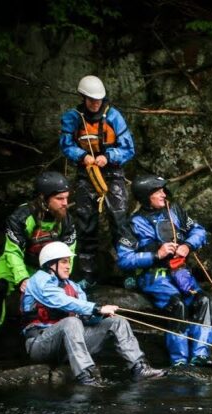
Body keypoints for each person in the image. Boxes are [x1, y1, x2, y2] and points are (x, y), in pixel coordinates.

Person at [21, 241, 165, 386]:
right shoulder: (37, 281)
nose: (68, 266)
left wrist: (100, 315)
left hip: (67, 346)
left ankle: (139, 368)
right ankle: (84, 375)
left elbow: (86, 317)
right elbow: (60, 300)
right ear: (50, 264)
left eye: (69, 262)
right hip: (40, 344)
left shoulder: (73, 286)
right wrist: (97, 308)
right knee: (72, 322)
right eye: (64, 262)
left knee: (117, 322)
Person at [0, 172, 78, 366]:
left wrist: (54, 277)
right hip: (16, 261)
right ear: (44, 199)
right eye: (59, 198)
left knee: (59, 292)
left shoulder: (66, 220)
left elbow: (68, 253)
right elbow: (12, 251)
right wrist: (22, 279)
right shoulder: (21, 216)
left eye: (67, 198)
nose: (65, 203)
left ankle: (53, 340)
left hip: (45, 266)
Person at [116, 175, 212, 368]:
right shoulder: (132, 224)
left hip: (180, 272)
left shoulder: (175, 211)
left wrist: (187, 245)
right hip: (152, 276)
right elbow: (124, 259)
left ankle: (200, 355)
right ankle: (179, 361)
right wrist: (156, 255)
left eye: (163, 190)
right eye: (158, 191)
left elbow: (199, 231)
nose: (163, 194)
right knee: (177, 305)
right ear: (146, 196)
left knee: (203, 301)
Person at [59, 74, 136, 290]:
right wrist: (82, 156)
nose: (95, 103)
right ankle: (88, 274)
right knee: (85, 223)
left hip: (112, 174)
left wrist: (109, 157)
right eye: (91, 100)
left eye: (99, 100)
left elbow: (128, 148)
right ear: (83, 98)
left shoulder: (114, 117)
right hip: (86, 175)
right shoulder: (72, 118)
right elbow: (65, 145)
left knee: (119, 220)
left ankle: (128, 271)